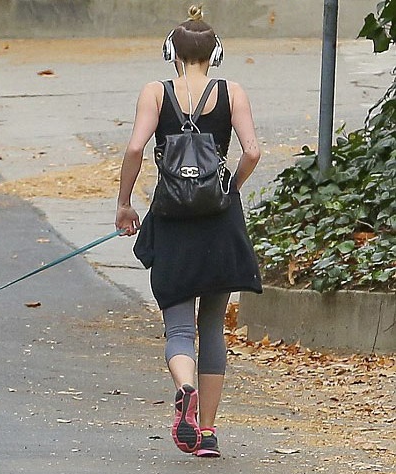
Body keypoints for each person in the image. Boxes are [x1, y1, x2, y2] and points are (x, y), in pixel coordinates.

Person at [115, 5, 263, 458]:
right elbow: (253, 151)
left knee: (179, 327)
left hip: (173, 221)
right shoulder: (232, 91)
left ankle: (184, 388)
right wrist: (229, 189)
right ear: (216, 54)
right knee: (213, 325)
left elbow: (135, 148)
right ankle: (208, 433)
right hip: (219, 223)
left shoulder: (155, 92)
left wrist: (124, 204)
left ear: (171, 53)